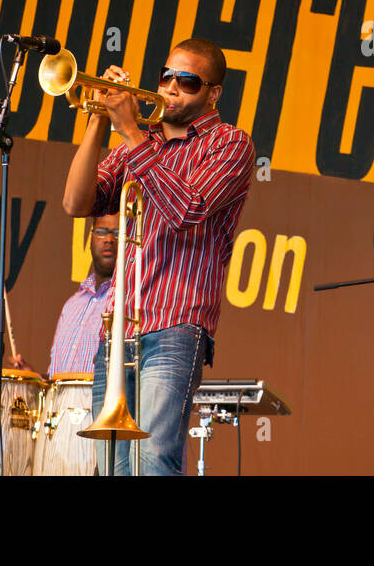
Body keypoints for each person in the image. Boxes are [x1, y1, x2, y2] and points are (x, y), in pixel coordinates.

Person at [63, 37, 255, 475]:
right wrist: (98, 119)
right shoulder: (141, 142)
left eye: (186, 81)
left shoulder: (229, 144)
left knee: (153, 462)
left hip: (176, 327)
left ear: (213, 93)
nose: (170, 87)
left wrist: (129, 131)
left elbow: (186, 210)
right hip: (118, 327)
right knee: (111, 465)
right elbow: (76, 203)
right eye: (165, 76)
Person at [10, 214, 119, 376]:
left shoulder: (129, 300)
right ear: (90, 240)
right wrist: (34, 377)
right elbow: (55, 378)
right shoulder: (72, 304)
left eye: (117, 233)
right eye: (101, 231)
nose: (109, 239)